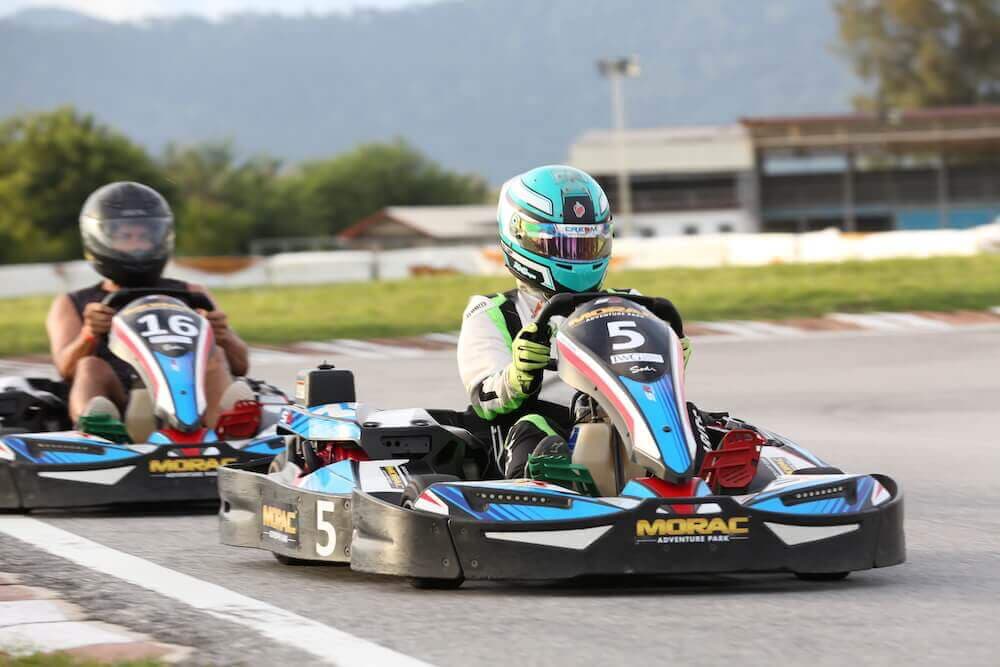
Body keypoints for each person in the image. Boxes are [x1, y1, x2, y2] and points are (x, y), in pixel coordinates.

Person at [457, 165, 691, 478]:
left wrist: (670, 356)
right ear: (521, 238)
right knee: (532, 428)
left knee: (692, 419)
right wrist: (518, 375)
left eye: (588, 245)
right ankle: (537, 487)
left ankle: (720, 472)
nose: (578, 258)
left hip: (624, 420)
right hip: (543, 427)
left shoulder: (631, 302)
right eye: (565, 245)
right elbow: (486, 401)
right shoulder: (493, 312)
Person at [46, 181, 249, 432]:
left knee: (215, 356)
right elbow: (66, 369)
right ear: (99, 239)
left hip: (187, 390)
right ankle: (96, 433)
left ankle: (231, 435)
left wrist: (223, 336)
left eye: (144, 237)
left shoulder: (193, 294)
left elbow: (240, 365)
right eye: (125, 237)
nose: (136, 246)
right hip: (118, 398)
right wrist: (89, 333)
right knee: (89, 366)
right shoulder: (74, 302)